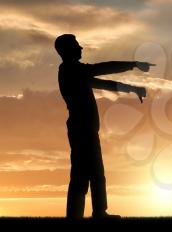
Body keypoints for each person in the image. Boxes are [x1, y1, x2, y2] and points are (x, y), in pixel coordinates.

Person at [54, 34, 154, 218]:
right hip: (82, 130)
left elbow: (105, 84)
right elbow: (103, 68)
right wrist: (134, 64)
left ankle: (95, 212)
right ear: (67, 50)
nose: (81, 48)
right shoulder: (71, 70)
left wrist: (132, 88)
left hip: (85, 129)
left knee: (90, 174)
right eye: (76, 45)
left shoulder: (76, 73)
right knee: (84, 176)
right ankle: (94, 213)